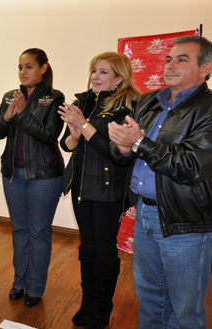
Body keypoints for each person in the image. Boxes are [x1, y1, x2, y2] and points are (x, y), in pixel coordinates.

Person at [108, 36, 212, 329]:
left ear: (205, 68)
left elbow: (191, 165)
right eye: (169, 58)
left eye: (182, 59)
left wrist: (138, 142)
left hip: (185, 221)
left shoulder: (208, 108)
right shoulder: (149, 100)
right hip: (144, 214)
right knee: (151, 301)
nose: (171, 65)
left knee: (186, 311)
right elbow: (125, 155)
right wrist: (124, 148)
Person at [58, 52, 141, 329]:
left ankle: (102, 308)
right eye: (95, 70)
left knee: (104, 251)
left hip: (108, 190)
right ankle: (88, 301)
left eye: (104, 72)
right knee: (87, 248)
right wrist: (74, 132)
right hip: (81, 187)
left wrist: (83, 124)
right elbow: (67, 146)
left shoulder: (127, 106)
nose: (96, 75)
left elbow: (116, 154)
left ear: (119, 78)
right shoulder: (83, 101)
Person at [0, 48, 65, 308]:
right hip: (12, 174)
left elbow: (49, 134)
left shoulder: (54, 97)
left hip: (43, 176)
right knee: (19, 230)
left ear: (43, 68)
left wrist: (21, 115)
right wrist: (8, 116)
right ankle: (19, 282)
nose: (23, 72)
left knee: (38, 232)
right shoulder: (11, 95)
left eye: (29, 66)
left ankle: (35, 287)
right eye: (20, 67)